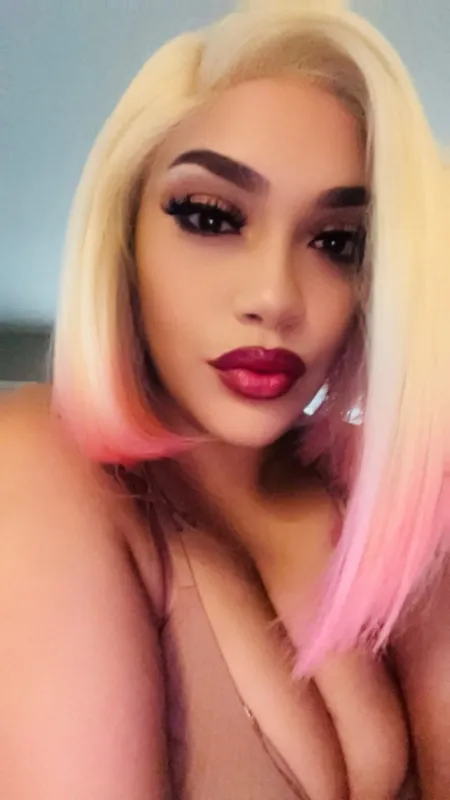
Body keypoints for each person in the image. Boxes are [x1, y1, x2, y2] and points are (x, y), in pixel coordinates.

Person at [1, 0, 449, 797]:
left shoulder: (385, 504)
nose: (275, 296)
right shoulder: (34, 462)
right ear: (124, 235)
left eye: (336, 242)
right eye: (210, 217)